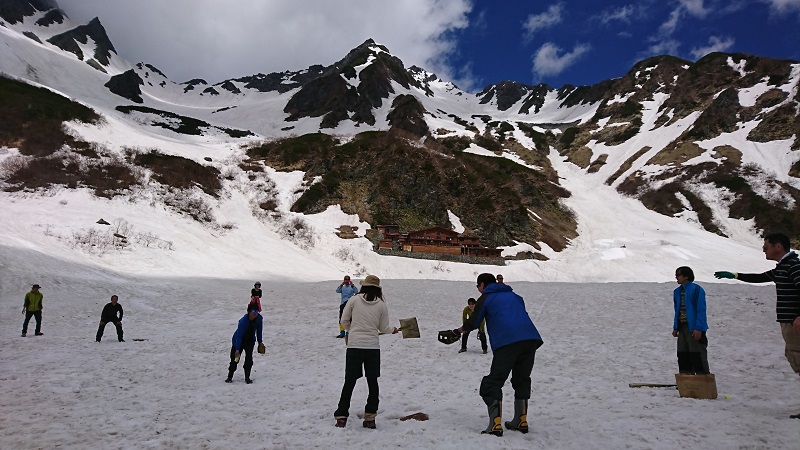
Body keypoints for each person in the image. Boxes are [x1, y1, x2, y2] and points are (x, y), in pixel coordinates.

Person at [715, 232, 800, 419]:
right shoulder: (784, 266)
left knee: (797, 357)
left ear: (778, 247)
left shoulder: (793, 266)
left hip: (794, 323)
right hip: (789, 322)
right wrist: (735, 275)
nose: (764, 251)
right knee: (793, 356)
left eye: (766, 247)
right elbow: (760, 277)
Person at [455, 273, 543, 436]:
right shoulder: (516, 296)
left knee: (492, 382)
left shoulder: (486, 297)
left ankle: (495, 425)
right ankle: (521, 420)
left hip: (508, 342)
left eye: (477, 286)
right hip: (530, 339)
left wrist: (457, 331)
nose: (478, 290)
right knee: (522, 379)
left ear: (482, 284)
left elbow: (474, 322)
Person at [334, 275, 398, 429]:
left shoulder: (354, 300)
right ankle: (370, 418)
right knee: (372, 382)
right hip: (372, 347)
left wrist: (353, 331)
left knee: (349, 382)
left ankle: (341, 416)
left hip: (354, 346)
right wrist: (393, 330)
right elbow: (383, 328)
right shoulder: (381, 305)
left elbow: (343, 321)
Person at [671, 267, 709, 374]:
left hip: (694, 328)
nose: (676, 277)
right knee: (683, 354)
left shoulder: (696, 289)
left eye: (678, 275)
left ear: (686, 276)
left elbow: (701, 310)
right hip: (682, 327)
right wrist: (676, 327)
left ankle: (703, 380)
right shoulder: (677, 292)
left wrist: (699, 328)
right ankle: (686, 380)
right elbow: (677, 310)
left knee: (697, 354)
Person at [225, 302, 264, 384]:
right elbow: (239, 336)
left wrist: (260, 342)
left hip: (250, 341)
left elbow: (259, 331)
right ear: (248, 312)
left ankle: (247, 377)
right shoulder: (243, 321)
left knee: (249, 359)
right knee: (235, 359)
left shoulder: (259, 320)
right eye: (253, 311)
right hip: (239, 341)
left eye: (256, 311)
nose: (255, 314)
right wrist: (237, 349)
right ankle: (230, 376)